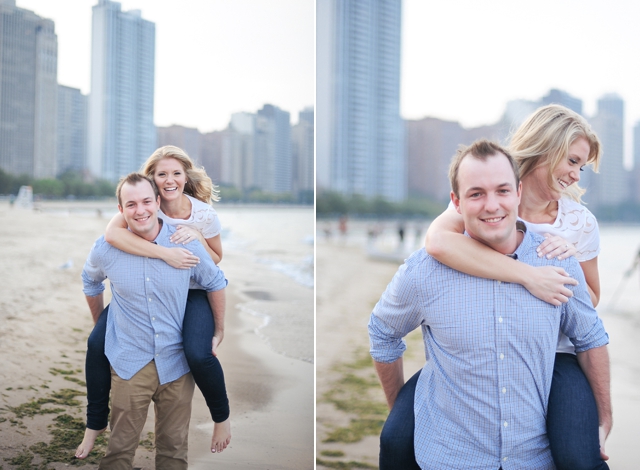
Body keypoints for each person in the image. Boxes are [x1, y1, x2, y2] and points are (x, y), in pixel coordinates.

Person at [369, 139, 611, 470]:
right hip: (449, 460)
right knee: (395, 441)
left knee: (583, 459)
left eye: (502, 191)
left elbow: (590, 334)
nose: (492, 205)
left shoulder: (561, 254)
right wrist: (404, 409)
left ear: (518, 192)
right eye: (476, 194)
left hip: (542, 420)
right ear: (456, 201)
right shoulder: (425, 269)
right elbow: (382, 332)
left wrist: (604, 416)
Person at [76, 146, 231, 459]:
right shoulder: (139, 212)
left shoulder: (201, 214)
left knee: (199, 354)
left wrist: (194, 241)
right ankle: (94, 424)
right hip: (160, 278)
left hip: (192, 288)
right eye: (162, 174)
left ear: (185, 177)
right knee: (97, 342)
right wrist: (165, 253)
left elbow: (215, 265)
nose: (169, 179)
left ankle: (222, 418)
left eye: (176, 173)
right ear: (153, 180)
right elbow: (110, 237)